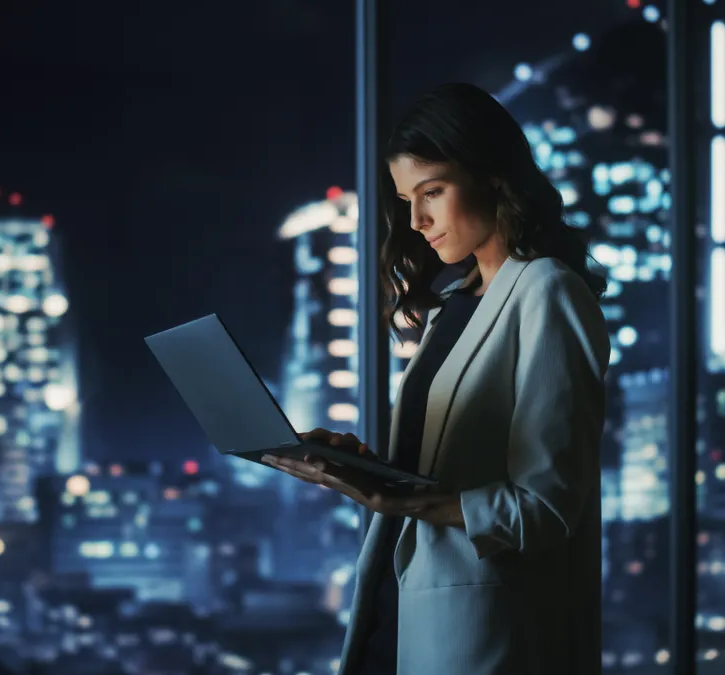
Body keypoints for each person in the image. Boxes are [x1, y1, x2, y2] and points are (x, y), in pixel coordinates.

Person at [261, 82, 610, 675]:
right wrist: (365, 469)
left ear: (494, 176)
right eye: (406, 200)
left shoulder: (547, 291)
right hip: (399, 608)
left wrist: (404, 499)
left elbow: (546, 510)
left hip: (485, 632)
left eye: (433, 192)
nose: (417, 221)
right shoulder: (454, 307)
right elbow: (450, 470)